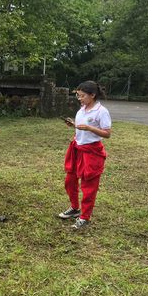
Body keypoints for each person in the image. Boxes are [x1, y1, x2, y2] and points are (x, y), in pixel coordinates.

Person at [58, 81, 112, 230]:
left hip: (92, 152)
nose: (79, 99)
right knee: (70, 180)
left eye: (82, 96)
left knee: (89, 186)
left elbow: (107, 134)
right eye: (78, 95)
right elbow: (81, 128)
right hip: (77, 149)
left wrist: (89, 127)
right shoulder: (82, 109)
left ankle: (85, 217)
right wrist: (75, 126)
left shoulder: (101, 111)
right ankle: (75, 208)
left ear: (92, 95)